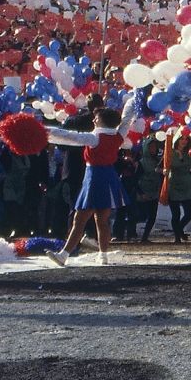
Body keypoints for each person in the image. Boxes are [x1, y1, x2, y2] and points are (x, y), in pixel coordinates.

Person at [42, 105, 128, 266]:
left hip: (94, 177)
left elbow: (69, 136)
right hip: (109, 177)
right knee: (102, 220)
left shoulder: (94, 138)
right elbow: (128, 119)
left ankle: (64, 255)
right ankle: (103, 255)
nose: (94, 119)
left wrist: (42, 130)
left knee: (79, 219)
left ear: (103, 121)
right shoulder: (118, 136)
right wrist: (133, 102)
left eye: (97, 118)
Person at [165, 133, 191, 243]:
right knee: (176, 213)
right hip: (174, 185)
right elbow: (160, 167)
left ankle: (179, 230)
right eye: (182, 139)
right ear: (177, 140)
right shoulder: (170, 153)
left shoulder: (188, 153)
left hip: (186, 185)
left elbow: (190, 166)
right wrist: (164, 171)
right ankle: (177, 237)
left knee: (189, 211)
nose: (184, 141)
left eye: (186, 139)